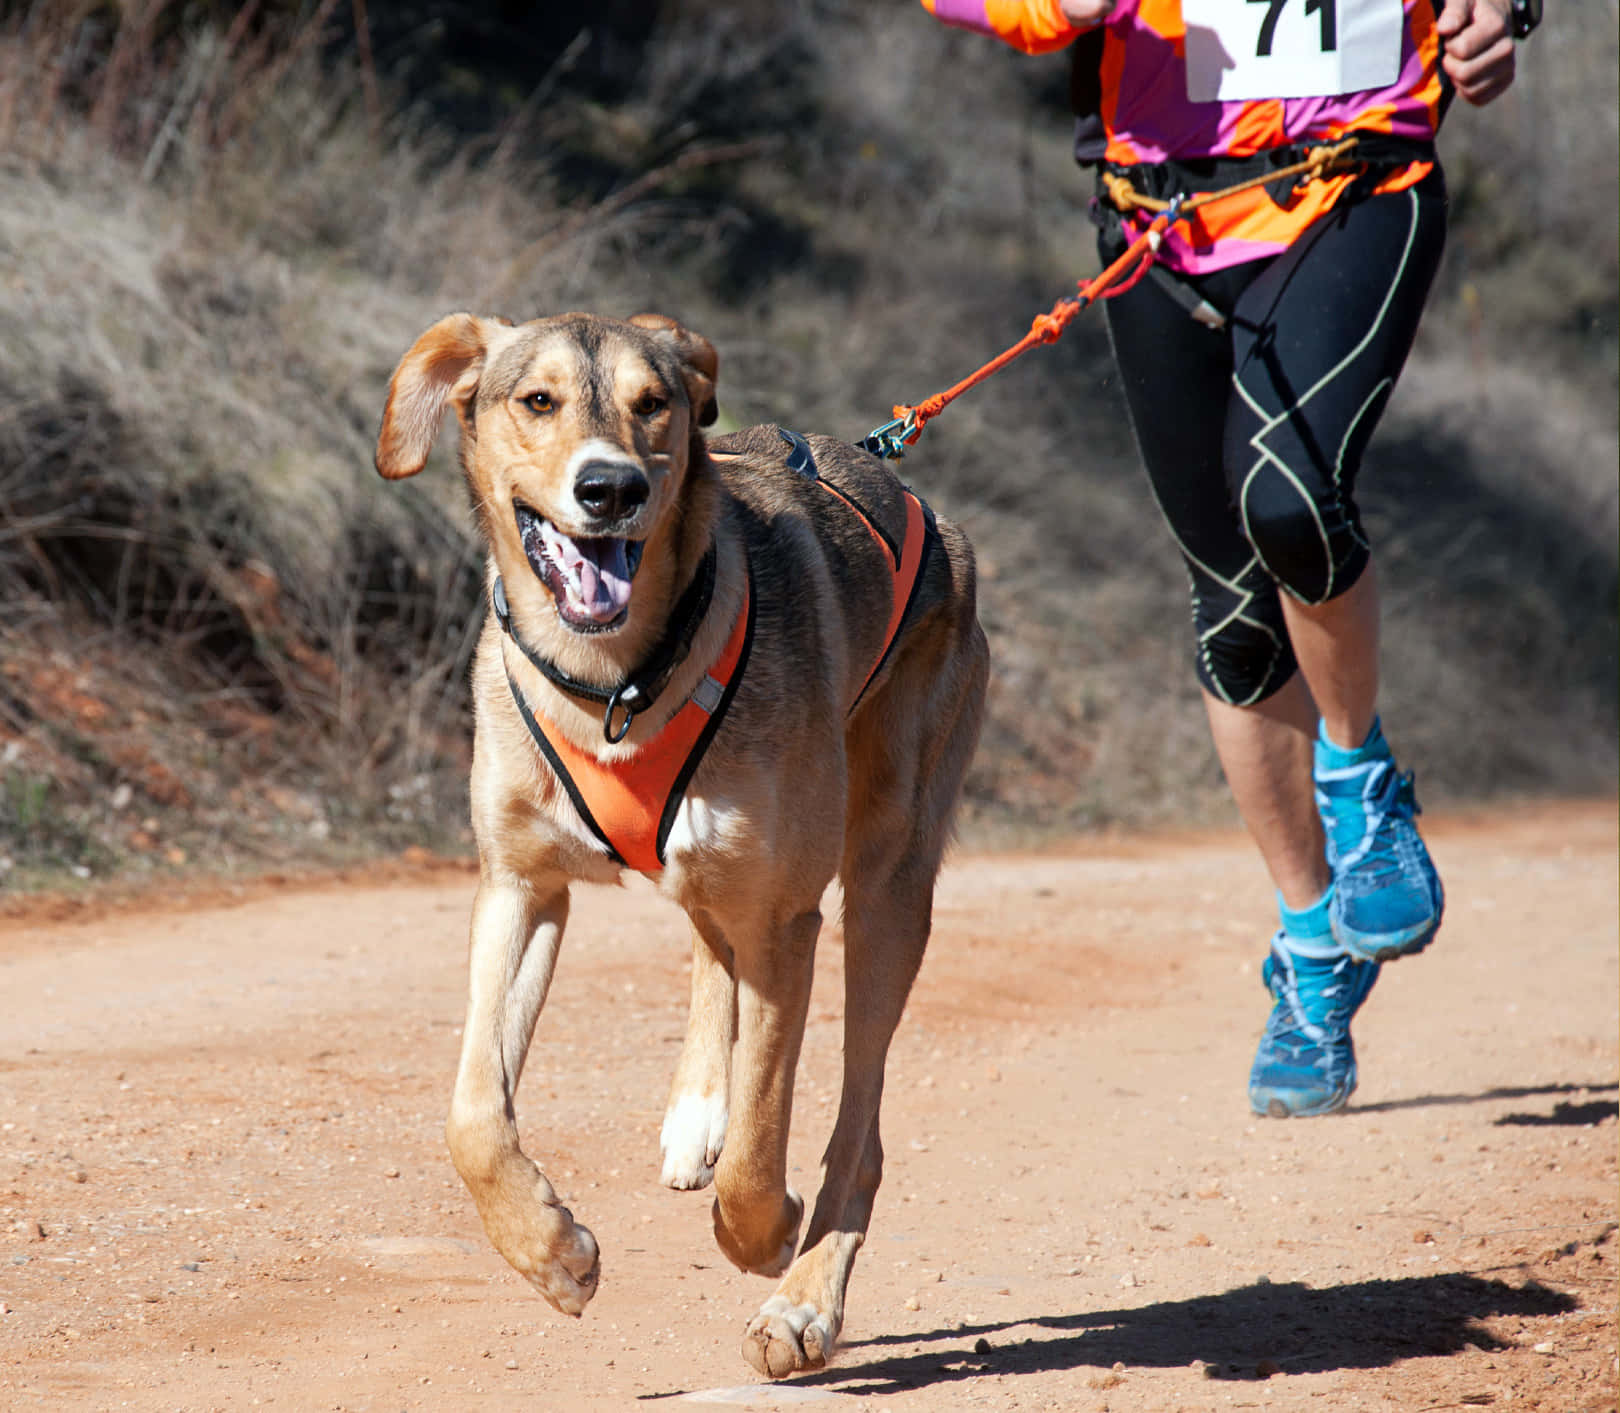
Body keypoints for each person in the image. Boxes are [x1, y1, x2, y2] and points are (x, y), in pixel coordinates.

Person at [921, 0, 1530, 1115]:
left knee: (1290, 502)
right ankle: (1311, 953)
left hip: (1358, 187)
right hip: (1159, 229)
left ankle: (1361, 792)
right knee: (1232, 614)